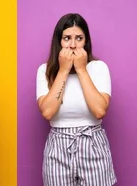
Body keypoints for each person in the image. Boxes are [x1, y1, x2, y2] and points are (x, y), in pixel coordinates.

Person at [37, 13, 116, 186]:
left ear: (86, 42)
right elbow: (48, 112)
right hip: (58, 147)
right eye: (67, 38)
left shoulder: (99, 68)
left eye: (79, 38)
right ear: (59, 42)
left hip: (93, 144)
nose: (73, 45)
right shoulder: (45, 71)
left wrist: (81, 70)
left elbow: (99, 111)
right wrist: (63, 70)